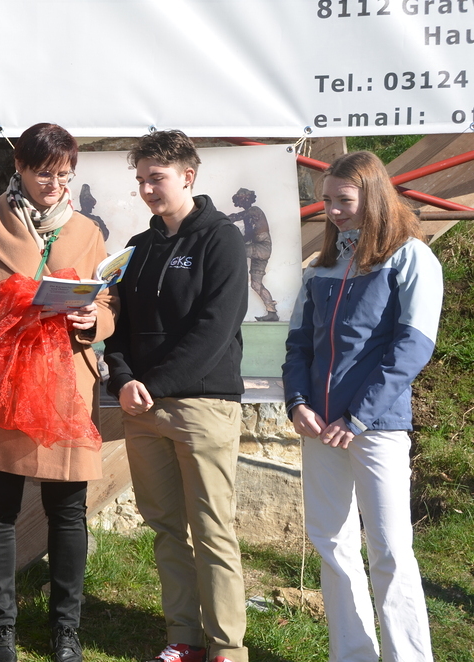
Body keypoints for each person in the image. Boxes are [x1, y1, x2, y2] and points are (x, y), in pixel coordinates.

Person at [0, 123, 117, 662]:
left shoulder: (87, 231)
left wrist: (91, 319)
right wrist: (13, 311)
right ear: (18, 167)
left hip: (65, 386)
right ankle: (2, 629)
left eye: (66, 174)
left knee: (68, 509)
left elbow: (107, 304)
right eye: (45, 173)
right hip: (4, 384)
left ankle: (66, 630)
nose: (56, 185)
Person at [282, 151, 442, 662]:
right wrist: (297, 402)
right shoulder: (320, 267)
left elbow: (413, 346)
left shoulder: (411, 257)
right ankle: (352, 655)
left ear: (373, 196)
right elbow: (298, 346)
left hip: (376, 427)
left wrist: (359, 416)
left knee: (390, 549)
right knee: (332, 544)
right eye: (326, 200)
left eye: (344, 200)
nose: (332, 211)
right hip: (319, 427)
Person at [104, 130, 248, 662]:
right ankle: (184, 638)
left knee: (212, 531)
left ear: (188, 176)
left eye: (156, 178)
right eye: (141, 179)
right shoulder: (138, 248)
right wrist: (123, 380)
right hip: (142, 407)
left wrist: (156, 384)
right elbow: (117, 328)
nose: (147, 189)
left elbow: (215, 329)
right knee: (166, 529)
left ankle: (228, 648)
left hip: (202, 406)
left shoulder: (221, 239)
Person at [228, 187, 279, 321]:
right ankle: (272, 312)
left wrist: (227, 219)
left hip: (262, 247)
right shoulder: (248, 217)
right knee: (256, 284)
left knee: (237, 250)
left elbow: (240, 216)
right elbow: (248, 234)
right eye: (240, 199)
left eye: (244, 198)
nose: (243, 201)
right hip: (258, 249)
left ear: (249, 198)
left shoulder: (254, 210)